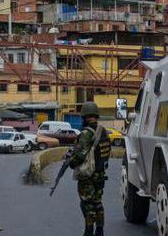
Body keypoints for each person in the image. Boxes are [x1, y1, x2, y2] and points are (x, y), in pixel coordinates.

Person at [69, 101, 111, 236]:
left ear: (84, 116)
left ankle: (88, 231)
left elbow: (79, 156)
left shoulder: (86, 133)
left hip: (88, 175)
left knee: (87, 204)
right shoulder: (103, 131)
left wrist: (71, 163)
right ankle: (100, 230)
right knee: (98, 203)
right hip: (100, 174)